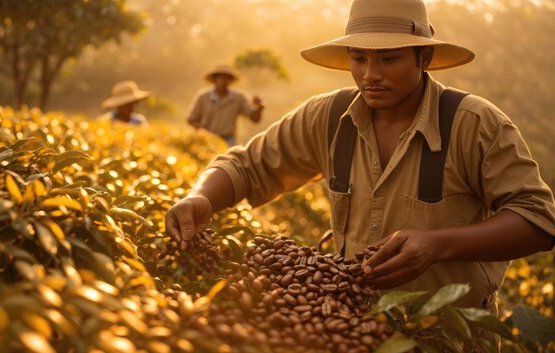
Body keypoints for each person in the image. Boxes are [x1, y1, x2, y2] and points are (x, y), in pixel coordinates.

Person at [166, 0, 555, 315]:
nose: (370, 74)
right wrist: (201, 197)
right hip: (353, 325)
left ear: (424, 59)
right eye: (358, 58)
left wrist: (439, 245)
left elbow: (537, 219)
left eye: (388, 59)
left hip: (446, 337)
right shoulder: (330, 117)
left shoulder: (473, 124)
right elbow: (246, 166)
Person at [187, 64, 264, 146]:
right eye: (222, 77)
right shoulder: (203, 97)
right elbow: (191, 119)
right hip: (207, 138)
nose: (224, 81)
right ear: (215, 79)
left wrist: (259, 108)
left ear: (231, 80)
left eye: (227, 78)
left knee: (233, 156)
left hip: (229, 139)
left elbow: (254, 119)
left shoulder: (238, 97)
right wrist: (204, 132)